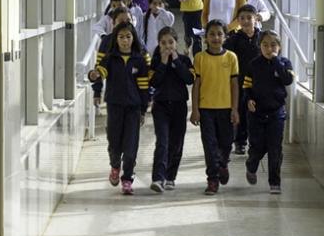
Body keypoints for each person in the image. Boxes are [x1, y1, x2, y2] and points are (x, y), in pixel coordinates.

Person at [88, 22, 149, 195]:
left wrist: (143, 109)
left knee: (131, 147)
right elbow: (101, 71)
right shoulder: (110, 58)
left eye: (128, 37)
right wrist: (94, 75)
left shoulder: (139, 59)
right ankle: (115, 166)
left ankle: (128, 178)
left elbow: (143, 86)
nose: (125, 40)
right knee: (114, 143)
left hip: (133, 108)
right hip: (114, 106)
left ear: (133, 38)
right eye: (121, 37)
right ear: (116, 39)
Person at [190, 20, 240, 195]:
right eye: (211, 34)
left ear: (225, 37)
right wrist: (194, 110)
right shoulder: (200, 58)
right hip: (206, 110)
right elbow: (196, 85)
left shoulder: (231, 57)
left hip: (226, 109)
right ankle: (212, 179)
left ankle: (223, 164)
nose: (216, 37)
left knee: (226, 143)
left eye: (219, 34)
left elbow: (235, 85)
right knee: (209, 146)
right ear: (205, 38)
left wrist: (235, 109)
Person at [242, 30, 295, 194]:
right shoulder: (254, 64)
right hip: (256, 113)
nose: (269, 48)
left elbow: (287, 80)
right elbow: (246, 86)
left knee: (275, 148)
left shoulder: (285, 63)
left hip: (276, 113)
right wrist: (248, 99)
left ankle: (275, 182)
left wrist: (276, 61)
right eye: (265, 45)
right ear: (260, 46)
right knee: (257, 146)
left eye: (273, 45)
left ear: (279, 47)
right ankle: (251, 165)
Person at [149, 27, 194, 192]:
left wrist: (176, 61)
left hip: (179, 106)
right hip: (160, 106)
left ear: (176, 43)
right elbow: (154, 82)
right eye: (163, 43)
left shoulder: (184, 60)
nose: (167, 46)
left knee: (176, 143)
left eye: (170, 42)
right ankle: (158, 178)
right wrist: (162, 62)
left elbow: (189, 79)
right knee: (162, 141)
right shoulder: (155, 61)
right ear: (159, 45)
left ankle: (170, 176)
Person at [224, 4, 262, 155]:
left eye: (249, 18)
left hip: (259, 83)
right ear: (238, 21)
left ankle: (257, 141)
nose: (246, 21)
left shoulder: (262, 38)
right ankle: (240, 142)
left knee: (257, 112)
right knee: (240, 111)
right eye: (242, 18)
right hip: (239, 82)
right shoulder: (234, 40)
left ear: (256, 18)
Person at [92, 6, 135, 106]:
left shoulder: (138, 42)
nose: (125, 23)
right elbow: (99, 67)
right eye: (121, 21)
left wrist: (147, 96)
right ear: (113, 23)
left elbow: (145, 69)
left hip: (134, 98)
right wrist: (97, 92)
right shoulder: (107, 41)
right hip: (114, 97)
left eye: (128, 20)